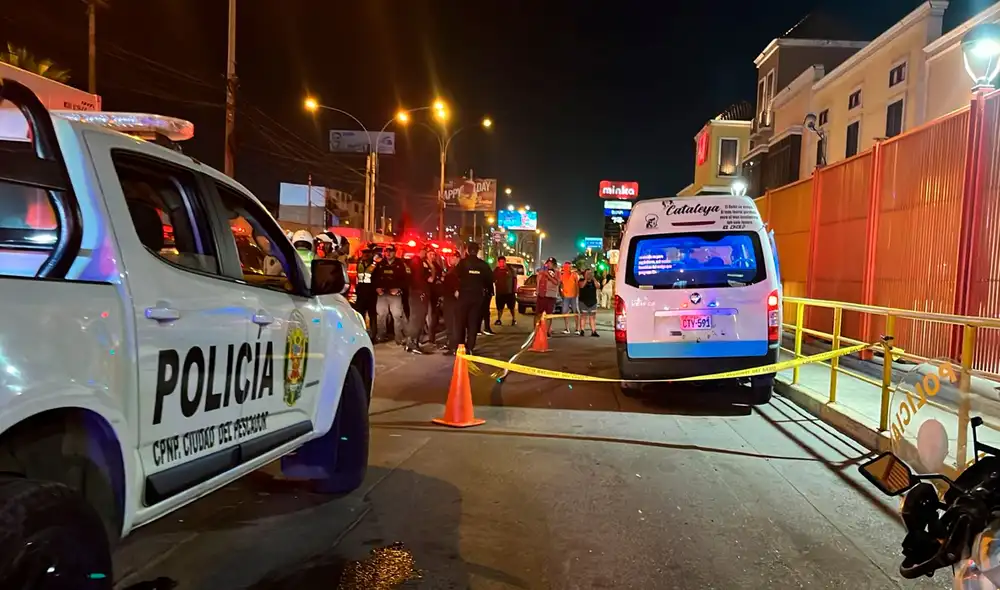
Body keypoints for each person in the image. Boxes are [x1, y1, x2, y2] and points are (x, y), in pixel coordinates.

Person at [453, 242, 493, 355]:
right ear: (478, 251)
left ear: (467, 250)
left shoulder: (462, 263)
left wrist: (457, 289)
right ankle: (470, 347)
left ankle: (460, 347)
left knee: (460, 322)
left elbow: (455, 276)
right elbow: (490, 279)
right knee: (473, 323)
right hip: (477, 298)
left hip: (463, 296)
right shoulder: (483, 265)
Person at [372, 244, 407, 344]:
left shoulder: (400, 264)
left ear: (394, 252)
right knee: (381, 315)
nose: (388, 253)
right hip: (382, 294)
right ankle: (381, 336)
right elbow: (373, 278)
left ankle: (399, 338)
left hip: (395, 295)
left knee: (397, 316)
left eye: (390, 251)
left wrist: (399, 289)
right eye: (386, 251)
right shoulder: (380, 263)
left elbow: (405, 279)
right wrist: (377, 288)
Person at [404, 246, 435, 355]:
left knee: (417, 319)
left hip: (418, 293)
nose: (425, 253)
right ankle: (412, 343)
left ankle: (411, 343)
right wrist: (421, 292)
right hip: (418, 294)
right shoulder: (417, 262)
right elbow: (419, 279)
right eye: (424, 251)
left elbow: (430, 278)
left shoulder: (420, 262)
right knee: (417, 319)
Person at [353, 247, 378, 339]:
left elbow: (377, 278)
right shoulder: (359, 263)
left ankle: (373, 335)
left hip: (371, 293)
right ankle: (361, 333)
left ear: (371, 254)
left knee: (372, 315)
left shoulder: (375, 264)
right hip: (361, 292)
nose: (365, 255)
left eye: (367, 253)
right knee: (360, 314)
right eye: (364, 253)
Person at [442, 251, 462, 354]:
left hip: (452, 301)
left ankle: (453, 346)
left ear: (457, 258)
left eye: (451, 257)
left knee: (452, 323)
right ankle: (452, 344)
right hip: (449, 300)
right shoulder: (453, 269)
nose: (449, 259)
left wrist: (456, 291)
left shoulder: (457, 270)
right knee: (451, 323)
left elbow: (457, 286)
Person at [536, 257, 560, 337]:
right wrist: (537, 290)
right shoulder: (542, 272)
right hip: (542, 295)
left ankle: (547, 331)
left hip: (551, 295)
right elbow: (538, 281)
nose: (549, 265)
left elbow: (556, 282)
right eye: (548, 263)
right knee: (538, 314)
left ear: (554, 264)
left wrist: (548, 276)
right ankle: (536, 330)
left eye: (551, 263)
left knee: (549, 315)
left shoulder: (557, 272)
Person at [492, 256, 517, 326]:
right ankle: (499, 319)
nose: (501, 263)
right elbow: (492, 279)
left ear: (505, 262)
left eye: (502, 262)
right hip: (500, 293)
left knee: (511, 307)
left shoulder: (510, 270)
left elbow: (515, 279)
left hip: (510, 293)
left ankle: (514, 319)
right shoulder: (496, 270)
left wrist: (514, 290)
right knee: (499, 307)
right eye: (500, 262)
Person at [559, 261, 581, 334]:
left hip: (574, 296)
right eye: (566, 267)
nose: (567, 268)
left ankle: (577, 329)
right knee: (565, 312)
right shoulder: (562, 276)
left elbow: (577, 285)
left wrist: (577, 294)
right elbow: (561, 285)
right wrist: (562, 293)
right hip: (566, 296)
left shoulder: (575, 275)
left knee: (576, 312)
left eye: (569, 267)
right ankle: (567, 328)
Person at [578, 268, 600, 336]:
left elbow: (598, 286)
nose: (589, 275)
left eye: (590, 273)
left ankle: (593, 331)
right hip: (583, 301)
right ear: (584, 274)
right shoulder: (581, 280)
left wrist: (594, 279)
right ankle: (582, 330)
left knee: (592, 317)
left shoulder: (594, 281)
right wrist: (586, 279)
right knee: (583, 316)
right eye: (587, 273)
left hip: (593, 302)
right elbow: (581, 286)